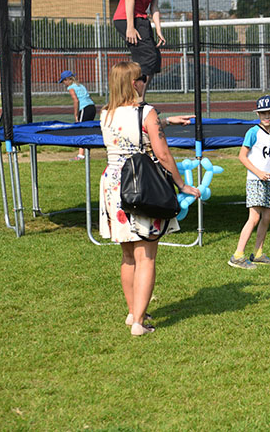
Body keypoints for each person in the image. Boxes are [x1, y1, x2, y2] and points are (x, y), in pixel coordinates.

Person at [98, 61, 199, 336]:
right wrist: (182, 185)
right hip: (141, 183)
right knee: (147, 255)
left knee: (128, 254)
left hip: (114, 184)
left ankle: (133, 313)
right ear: (134, 83)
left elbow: (129, 131)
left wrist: (166, 121)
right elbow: (163, 153)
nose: (146, 81)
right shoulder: (147, 112)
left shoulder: (105, 113)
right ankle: (141, 324)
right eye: (143, 77)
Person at [112, 0, 179, 99]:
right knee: (148, 58)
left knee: (153, 60)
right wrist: (130, 27)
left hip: (140, 19)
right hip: (128, 18)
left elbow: (154, 6)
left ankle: (138, 98)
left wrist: (159, 30)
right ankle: (136, 100)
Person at [229, 95, 270, 269]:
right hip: (255, 180)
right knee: (254, 217)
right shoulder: (253, 132)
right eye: (262, 113)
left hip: (267, 181)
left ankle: (258, 253)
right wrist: (259, 173)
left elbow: (267, 159)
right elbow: (242, 156)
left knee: (268, 216)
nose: (266, 116)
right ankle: (237, 255)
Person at [59, 69, 95, 160]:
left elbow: (76, 100)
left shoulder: (71, 88)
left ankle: (81, 155)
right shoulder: (81, 85)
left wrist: (76, 115)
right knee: (88, 130)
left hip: (84, 108)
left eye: (64, 81)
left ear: (67, 79)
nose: (64, 83)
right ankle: (86, 153)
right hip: (92, 107)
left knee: (82, 130)